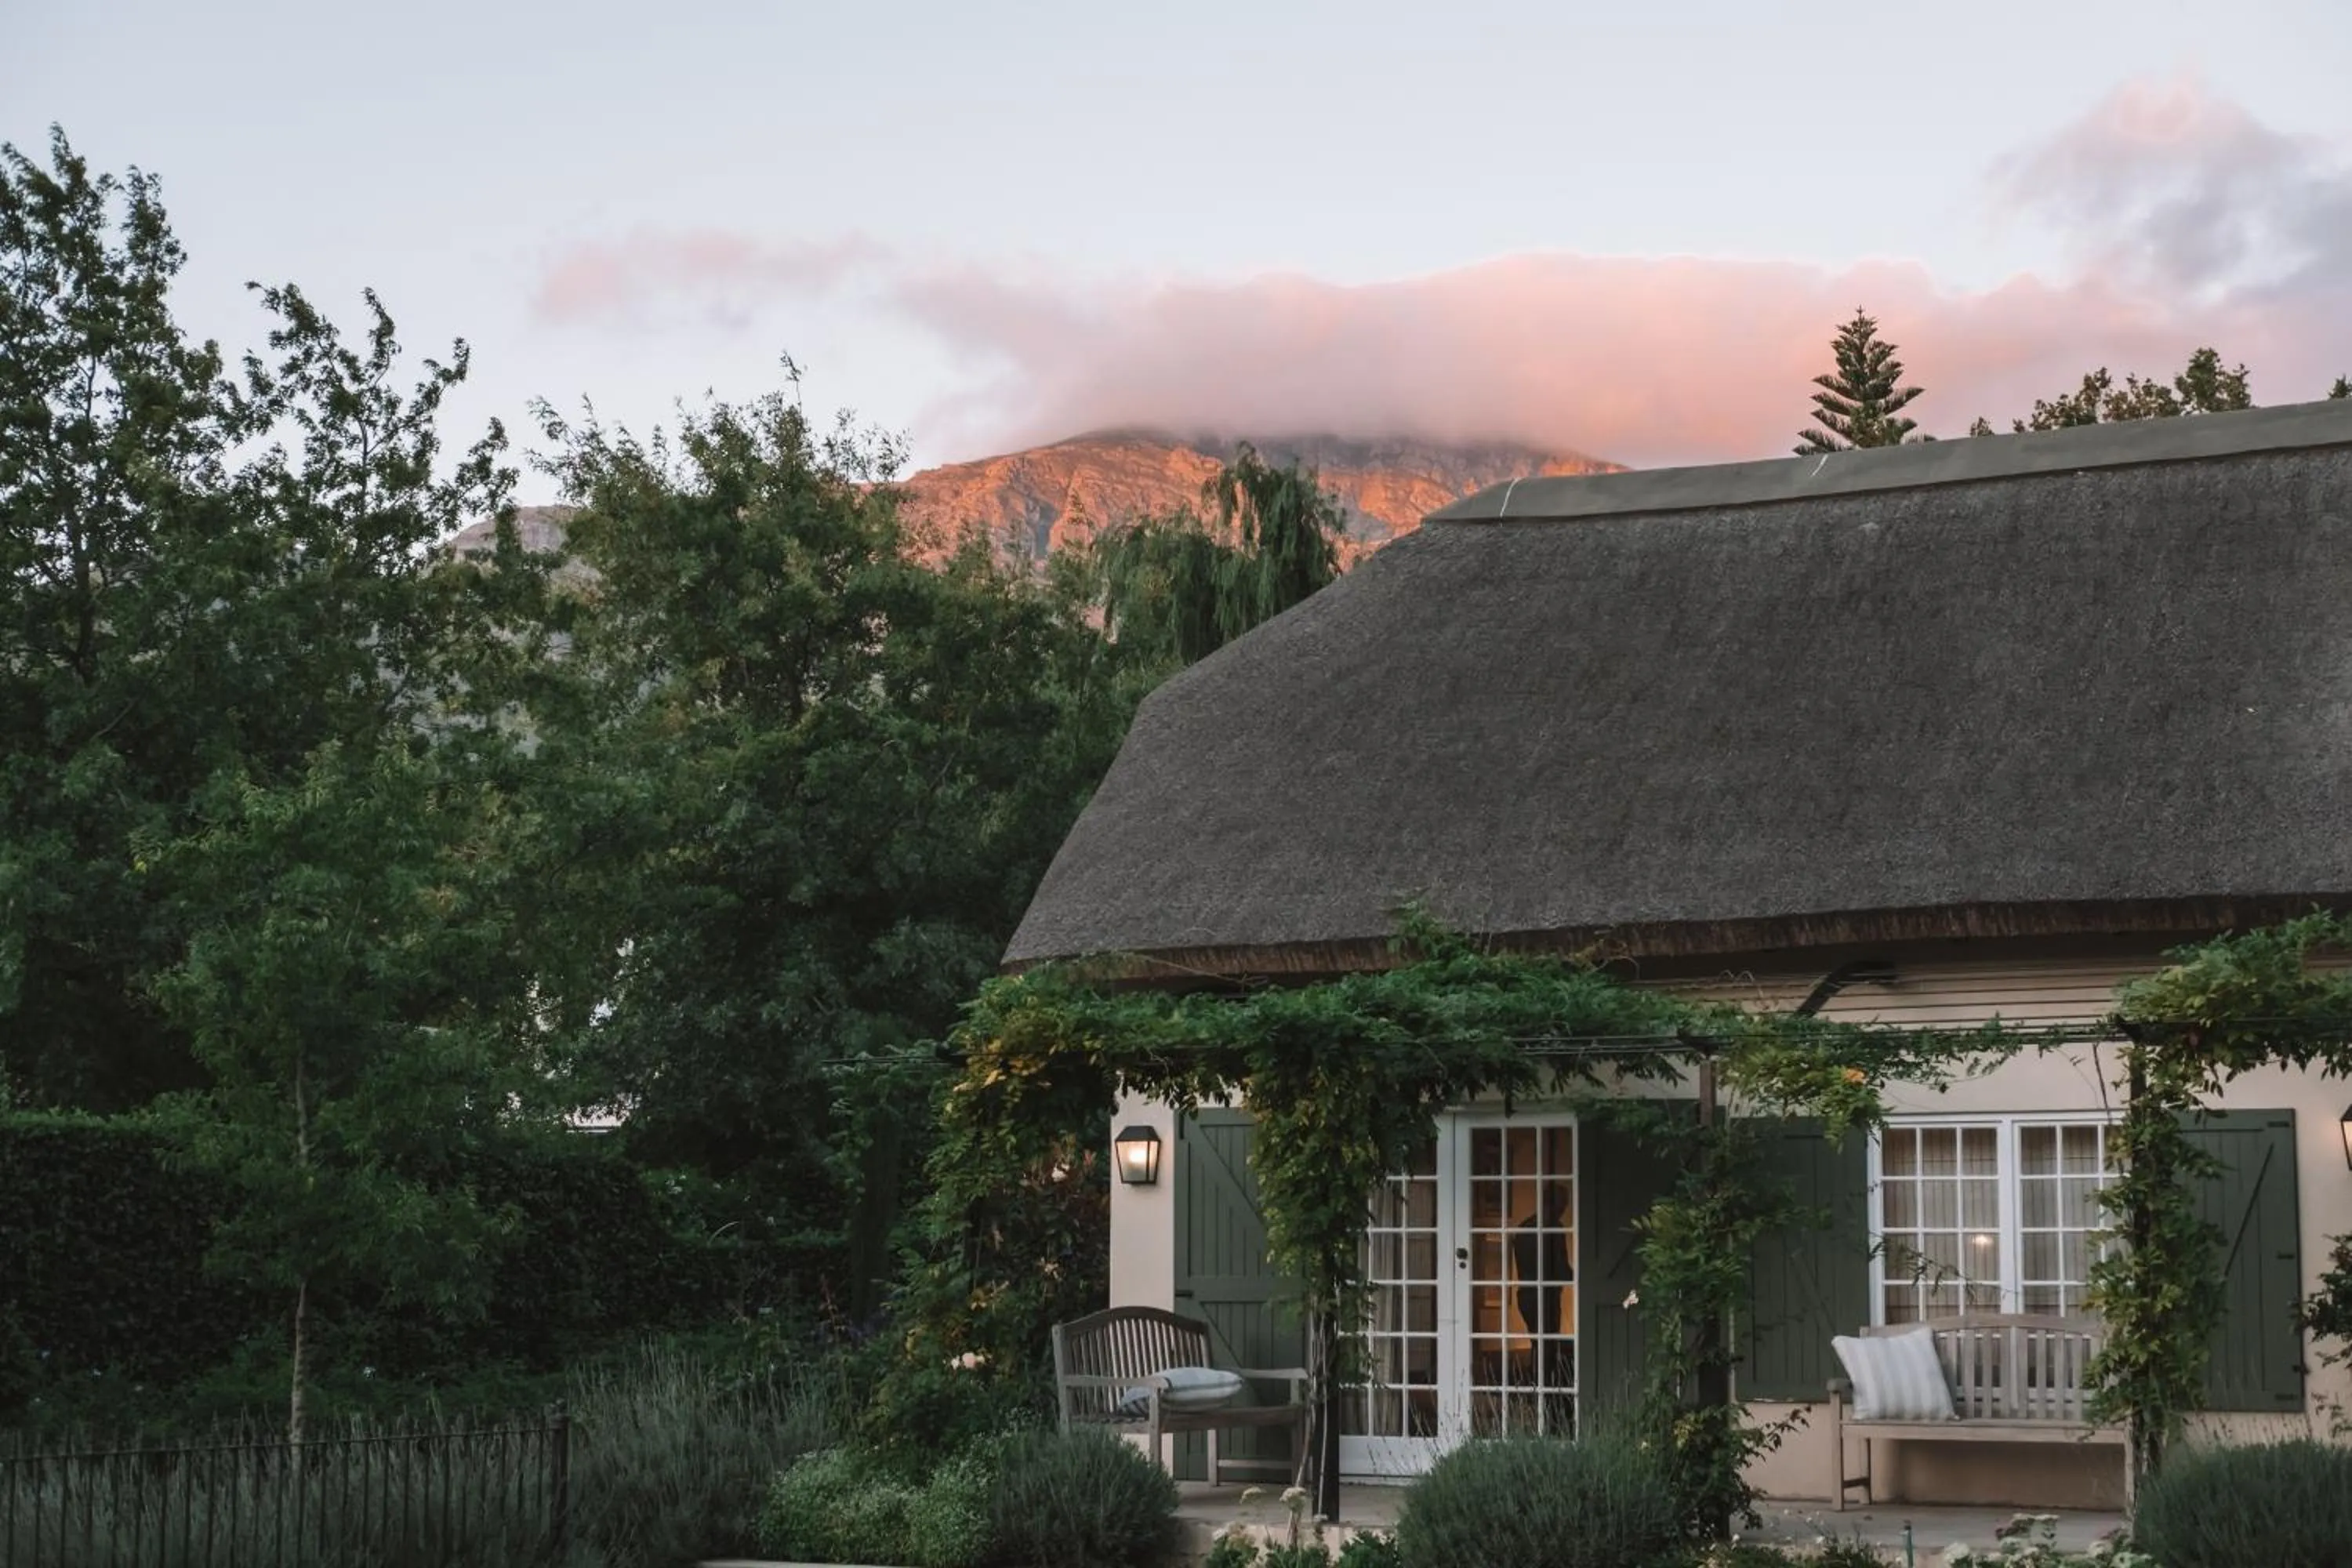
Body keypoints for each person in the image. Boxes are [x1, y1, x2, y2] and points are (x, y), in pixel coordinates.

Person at [1508, 1183, 1573, 1352]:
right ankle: (1546, 1377)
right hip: (1547, 1296)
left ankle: (1535, 1376)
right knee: (1549, 1348)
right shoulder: (1554, 1228)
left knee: (1538, 1345)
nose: (1564, 1209)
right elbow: (1561, 1269)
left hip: (1526, 1295)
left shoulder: (1524, 1228)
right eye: (1563, 1204)